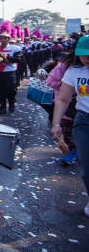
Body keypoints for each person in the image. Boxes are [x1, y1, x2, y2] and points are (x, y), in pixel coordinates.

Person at [51, 35, 89, 218]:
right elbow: (64, 99)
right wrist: (56, 124)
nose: (86, 58)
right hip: (84, 121)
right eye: (83, 55)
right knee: (87, 166)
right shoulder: (74, 72)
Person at [46, 48, 79, 165]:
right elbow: (50, 81)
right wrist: (66, 85)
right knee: (67, 131)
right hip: (64, 104)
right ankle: (70, 153)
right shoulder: (63, 68)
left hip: (79, 107)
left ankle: (78, 151)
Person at [0, 21, 22, 114]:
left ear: (8, 39)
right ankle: (2, 107)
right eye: (0, 38)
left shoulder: (15, 48)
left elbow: (19, 60)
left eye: (4, 38)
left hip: (10, 72)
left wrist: (7, 57)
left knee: (10, 90)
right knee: (0, 91)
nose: (2, 40)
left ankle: (12, 104)